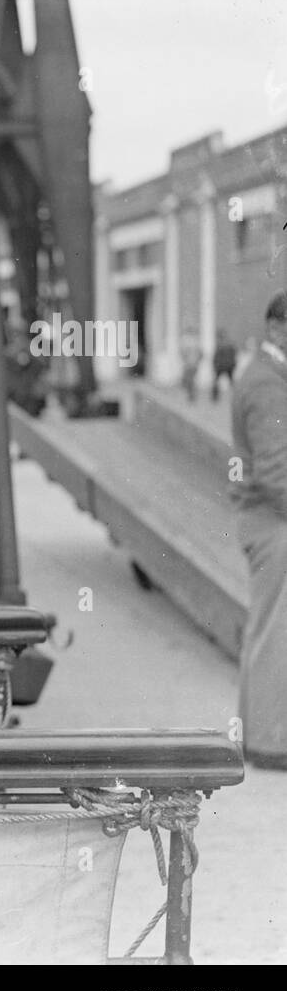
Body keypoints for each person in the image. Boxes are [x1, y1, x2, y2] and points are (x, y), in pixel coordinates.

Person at [229, 292, 287, 768]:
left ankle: (258, 735)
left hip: (264, 520)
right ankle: (270, 743)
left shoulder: (266, 376)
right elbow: (276, 472)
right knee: (275, 634)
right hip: (275, 523)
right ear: (275, 329)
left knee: (266, 631)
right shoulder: (269, 385)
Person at [212, 329, 238, 401]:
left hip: (223, 366)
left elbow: (216, 357)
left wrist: (215, 365)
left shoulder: (221, 345)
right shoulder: (229, 344)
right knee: (231, 383)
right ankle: (236, 396)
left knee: (217, 382)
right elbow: (234, 355)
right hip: (227, 366)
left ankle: (215, 397)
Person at [179, 329, 201, 403]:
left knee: (190, 381)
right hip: (191, 365)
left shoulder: (191, 344)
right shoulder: (194, 344)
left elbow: (183, 353)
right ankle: (191, 396)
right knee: (189, 381)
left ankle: (192, 396)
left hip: (191, 365)